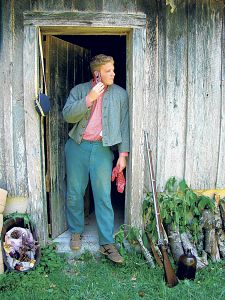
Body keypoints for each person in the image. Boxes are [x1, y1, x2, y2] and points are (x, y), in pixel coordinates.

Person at [62, 54, 129, 264]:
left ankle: (107, 243)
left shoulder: (120, 94)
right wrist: (89, 99)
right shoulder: (80, 90)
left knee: (103, 196)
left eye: (114, 69)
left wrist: (123, 154)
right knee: (75, 192)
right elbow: (67, 116)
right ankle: (75, 231)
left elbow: (124, 125)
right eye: (109, 70)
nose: (114, 73)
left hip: (102, 149)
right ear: (97, 73)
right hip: (77, 147)